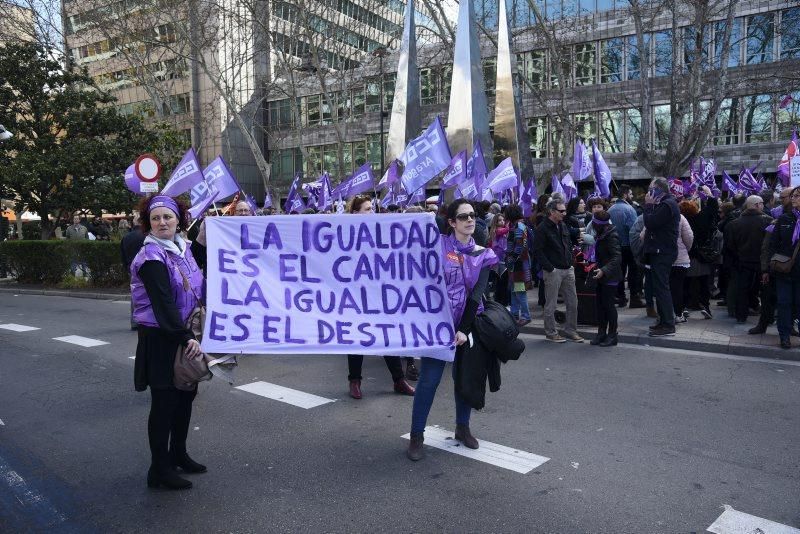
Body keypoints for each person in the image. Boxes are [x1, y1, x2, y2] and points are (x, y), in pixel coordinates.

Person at [406, 199, 498, 461]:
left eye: (473, 215)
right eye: (464, 216)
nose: (470, 220)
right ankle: (416, 436)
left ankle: (462, 427)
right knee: (429, 381)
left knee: (464, 379)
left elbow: (477, 294)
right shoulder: (435, 247)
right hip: (436, 325)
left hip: (467, 326)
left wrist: (464, 330)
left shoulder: (483, 253)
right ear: (451, 222)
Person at [130, 194, 205, 490]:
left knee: (186, 396)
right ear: (148, 224)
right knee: (164, 403)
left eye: (167, 217)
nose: (162, 222)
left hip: (184, 332)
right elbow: (162, 303)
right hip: (163, 338)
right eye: (156, 218)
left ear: (178, 220)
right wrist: (186, 337)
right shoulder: (150, 256)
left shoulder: (182, 247)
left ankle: (179, 454)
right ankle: (159, 469)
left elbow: (197, 279)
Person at [345, 194, 415, 399]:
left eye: (372, 208)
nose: (371, 212)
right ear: (355, 213)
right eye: (367, 209)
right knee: (357, 337)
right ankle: (354, 381)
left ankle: (399, 380)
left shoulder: (381, 230)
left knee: (386, 335)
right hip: (354, 295)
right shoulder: (345, 233)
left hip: (379, 294)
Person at [533, 199, 583, 343]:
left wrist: (571, 262)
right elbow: (537, 251)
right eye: (561, 211)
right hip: (553, 271)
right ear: (552, 212)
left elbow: (567, 244)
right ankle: (551, 332)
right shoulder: (542, 229)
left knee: (573, 302)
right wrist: (550, 268)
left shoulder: (563, 225)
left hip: (568, 269)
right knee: (551, 304)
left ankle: (570, 330)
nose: (564, 213)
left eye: (565, 210)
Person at [725, 195, 772, 323]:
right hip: (762, 263)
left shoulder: (733, 224)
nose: (763, 206)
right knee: (765, 291)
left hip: (742, 262)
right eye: (761, 203)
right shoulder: (768, 221)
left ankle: (741, 316)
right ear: (757, 205)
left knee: (742, 289)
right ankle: (767, 318)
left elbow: (730, 245)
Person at [643, 178, 680, 337]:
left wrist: (649, 206)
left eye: (651, 188)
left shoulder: (667, 205)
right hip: (659, 251)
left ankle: (668, 324)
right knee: (659, 288)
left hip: (663, 252)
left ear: (659, 189)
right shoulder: (666, 203)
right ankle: (663, 321)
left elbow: (651, 223)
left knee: (662, 288)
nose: (648, 192)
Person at [768, 187, 800, 349]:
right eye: (793, 196)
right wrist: (772, 264)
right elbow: (773, 244)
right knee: (784, 303)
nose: (793, 199)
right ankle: (784, 336)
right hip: (785, 270)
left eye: (797, 196)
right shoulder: (784, 219)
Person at [587, 210, 621, 346]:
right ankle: (601, 333)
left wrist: (604, 270)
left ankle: (612, 335)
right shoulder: (601, 234)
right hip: (600, 274)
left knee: (608, 306)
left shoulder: (611, 236)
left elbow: (617, 257)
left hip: (610, 276)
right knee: (600, 306)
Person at [684, 189, 719, 319]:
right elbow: (712, 209)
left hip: (686, 256)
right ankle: (706, 307)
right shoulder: (702, 218)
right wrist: (709, 194)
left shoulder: (682, 219)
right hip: (701, 255)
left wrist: (690, 199)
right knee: (704, 283)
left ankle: (684, 307)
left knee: (685, 283)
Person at [608, 185, 643, 308]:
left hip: (616, 246)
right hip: (629, 246)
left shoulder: (610, 209)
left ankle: (621, 297)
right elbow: (634, 230)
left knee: (620, 272)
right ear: (625, 195)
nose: (632, 196)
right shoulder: (629, 209)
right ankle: (634, 298)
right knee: (634, 272)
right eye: (631, 194)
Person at [505, 205, 532, 326]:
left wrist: (511, 259)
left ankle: (526, 316)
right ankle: (515, 314)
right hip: (518, 264)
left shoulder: (518, 227)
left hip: (518, 265)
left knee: (520, 291)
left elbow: (519, 247)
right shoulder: (517, 225)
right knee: (514, 290)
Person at [121, 214, 146, 330]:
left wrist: (126, 267)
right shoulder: (147, 236)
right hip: (146, 268)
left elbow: (123, 256)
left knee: (135, 294)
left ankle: (135, 321)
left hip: (132, 269)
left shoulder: (126, 237)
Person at [672, 202, 695, 322]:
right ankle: (678, 313)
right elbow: (689, 237)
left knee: (664, 288)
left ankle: (666, 314)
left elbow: (642, 236)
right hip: (680, 258)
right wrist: (685, 249)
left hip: (661, 258)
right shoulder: (680, 217)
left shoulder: (654, 215)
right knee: (678, 288)